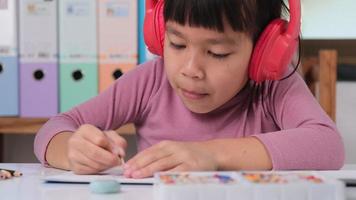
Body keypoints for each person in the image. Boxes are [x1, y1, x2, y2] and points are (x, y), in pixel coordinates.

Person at [34, 0, 345, 179]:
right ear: (158, 34)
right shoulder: (150, 81)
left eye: (218, 52)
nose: (190, 69)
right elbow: (54, 130)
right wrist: (74, 150)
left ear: (264, 51)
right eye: (177, 44)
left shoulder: (273, 86)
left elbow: (328, 145)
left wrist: (210, 154)